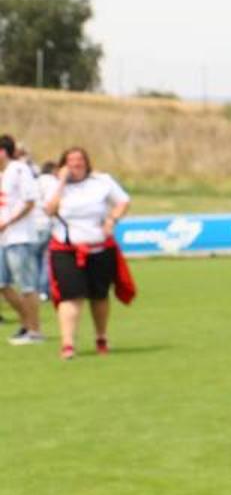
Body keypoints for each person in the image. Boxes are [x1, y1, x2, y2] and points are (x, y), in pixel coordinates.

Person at [43, 147, 132, 360]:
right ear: (63, 164)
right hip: (67, 249)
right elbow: (49, 209)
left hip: (99, 247)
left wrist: (112, 219)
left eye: (80, 159)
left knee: (99, 295)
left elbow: (123, 201)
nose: (76, 164)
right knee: (70, 295)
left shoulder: (101, 181)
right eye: (71, 160)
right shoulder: (53, 184)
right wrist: (62, 182)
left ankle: (101, 336)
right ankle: (68, 343)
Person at [0, 134, 45, 344]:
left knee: (27, 285)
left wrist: (7, 222)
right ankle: (27, 323)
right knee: (2, 284)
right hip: (3, 238)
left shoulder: (19, 170)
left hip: (20, 237)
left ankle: (35, 332)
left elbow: (29, 202)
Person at [33, 160, 58, 300]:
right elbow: (51, 204)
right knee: (46, 259)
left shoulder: (35, 181)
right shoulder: (53, 182)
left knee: (34, 260)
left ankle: (34, 289)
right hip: (47, 223)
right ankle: (43, 290)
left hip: (32, 225)